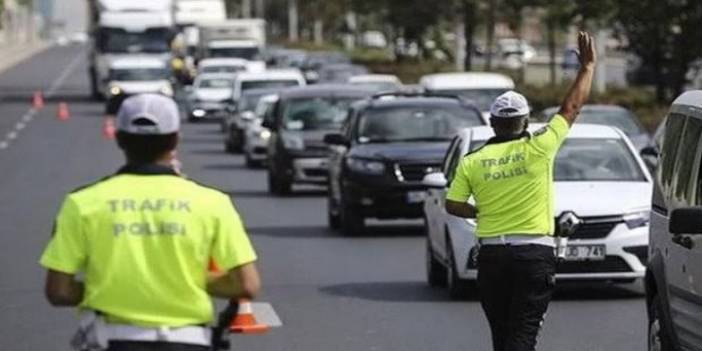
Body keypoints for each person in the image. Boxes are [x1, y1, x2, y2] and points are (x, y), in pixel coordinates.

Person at [39, 94, 261, 351]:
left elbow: (59, 291)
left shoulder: (82, 203)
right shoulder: (212, 203)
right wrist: (187, 279)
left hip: (111, 341)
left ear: (119, 139)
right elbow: (247, 285)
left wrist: (112, 285)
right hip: (188, 342)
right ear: (176, 139)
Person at [444, 32, 596, 351]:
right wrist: (587, 68)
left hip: (492, 257)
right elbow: (571, 108)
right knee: (523, 335)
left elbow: (453, 204)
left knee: (502, 337)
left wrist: (481, 211)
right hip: (532, 256)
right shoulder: (539, 147)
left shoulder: (473, 160)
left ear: (492, 122)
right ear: (526, 121)